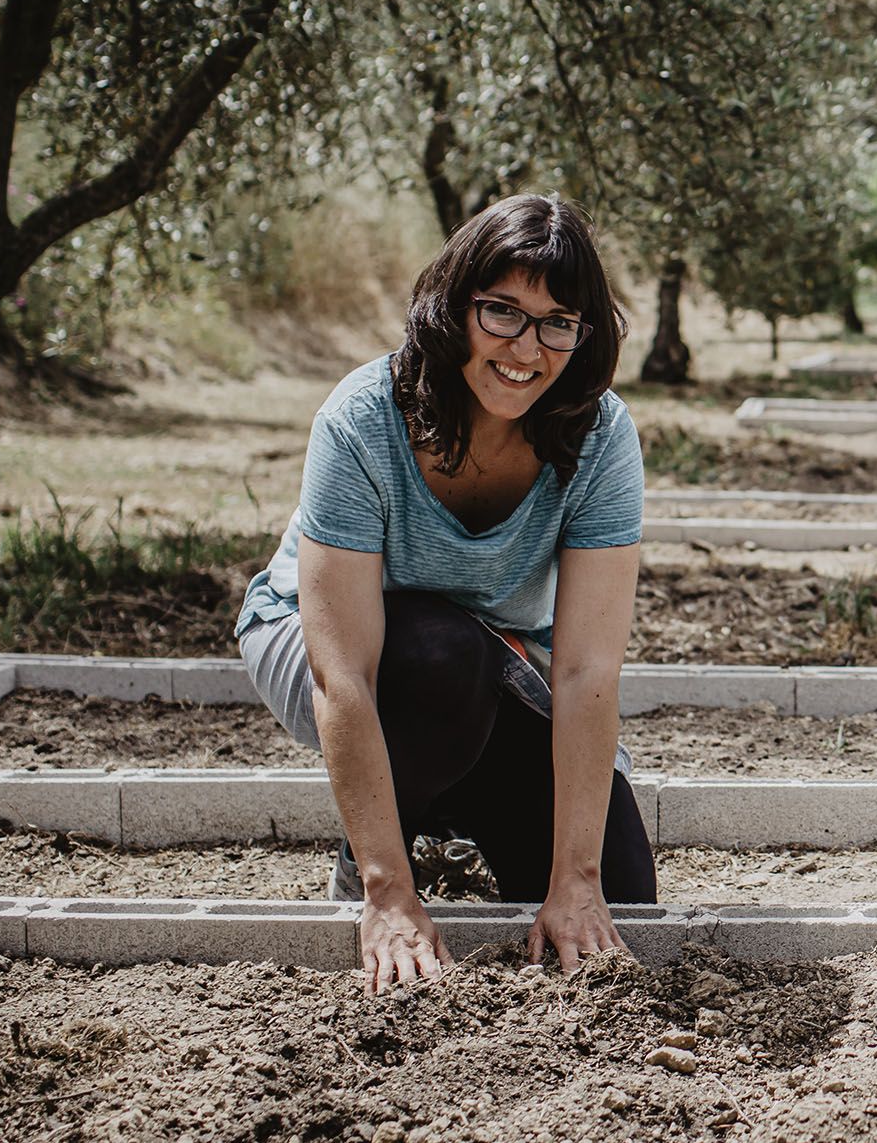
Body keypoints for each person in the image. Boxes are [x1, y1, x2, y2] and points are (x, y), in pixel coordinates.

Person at [236, 195, 654, 992]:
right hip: (316, 639)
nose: (526, 348)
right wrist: (386, 891)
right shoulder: (364, 417)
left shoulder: (598, 437)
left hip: (490, 657)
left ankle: (447, 823)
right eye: (502, 311)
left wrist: (577, 879)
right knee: (439, 655)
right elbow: (343, 673)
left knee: (624, 899)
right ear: (455, 303)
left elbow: (585, 672)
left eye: (558, 322)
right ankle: (386, 850)